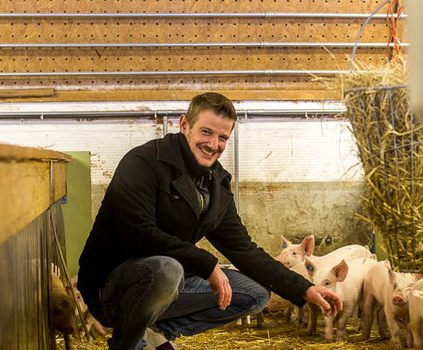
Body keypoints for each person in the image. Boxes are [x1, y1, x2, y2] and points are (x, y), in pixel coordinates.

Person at [77, 92, 342, 350]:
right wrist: (208, 265)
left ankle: (157, 332)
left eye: (222, 137)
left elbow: (244, 250)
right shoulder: (143, 163)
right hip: (111, 287)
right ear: (184, 125)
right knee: (168, 269)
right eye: (206, 132)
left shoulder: (216, 186)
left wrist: (306, 289)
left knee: (256, 294)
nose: (213, 144)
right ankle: (128, 343)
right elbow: (139, 234)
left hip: (167, 285)